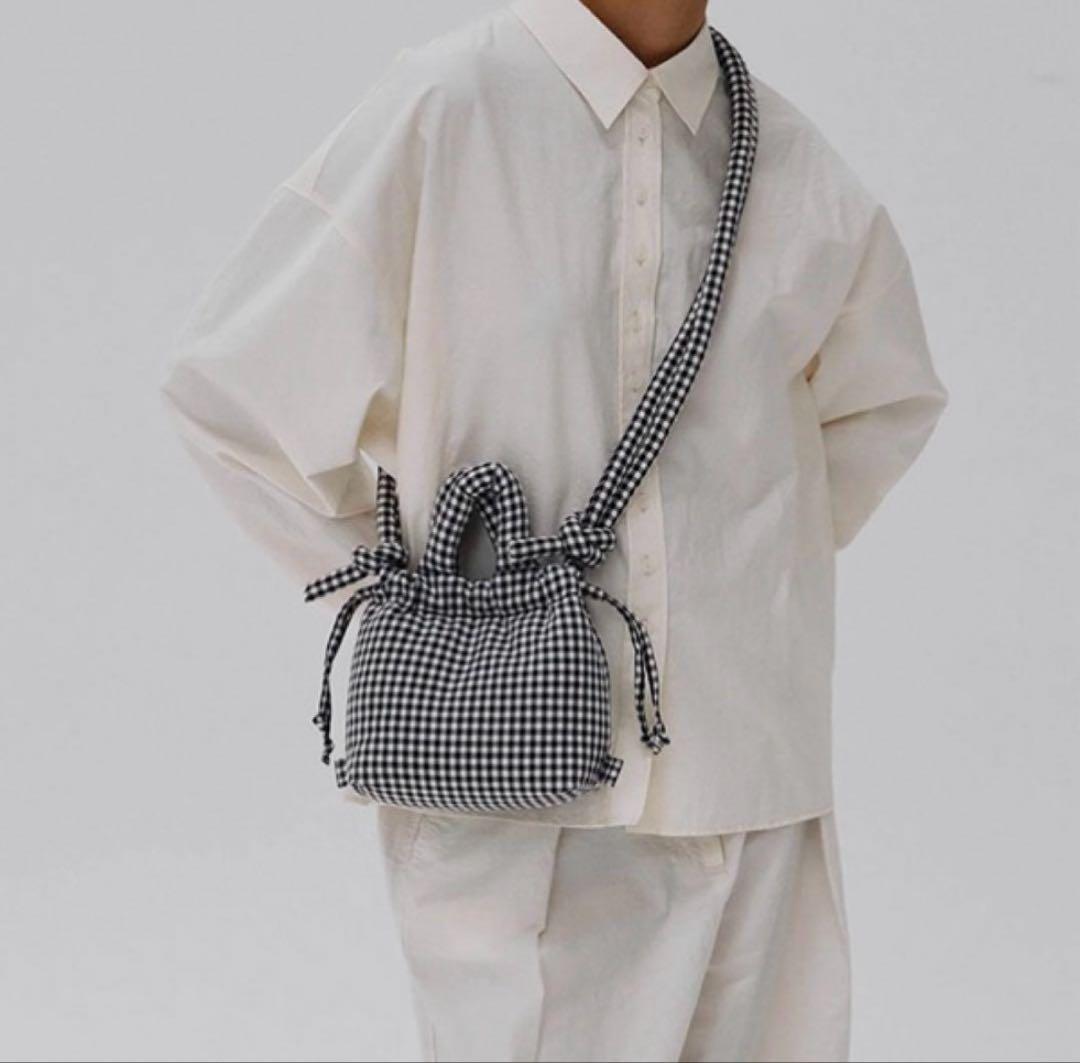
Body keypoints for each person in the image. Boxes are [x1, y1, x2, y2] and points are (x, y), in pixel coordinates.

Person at [159, 0, 948, 1059]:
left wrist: (729, 591)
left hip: (753, 776)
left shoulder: (795, 166)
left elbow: (879, 408)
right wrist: (425, 609)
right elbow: (235, 394)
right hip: (508, 803)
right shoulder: (448, 109)